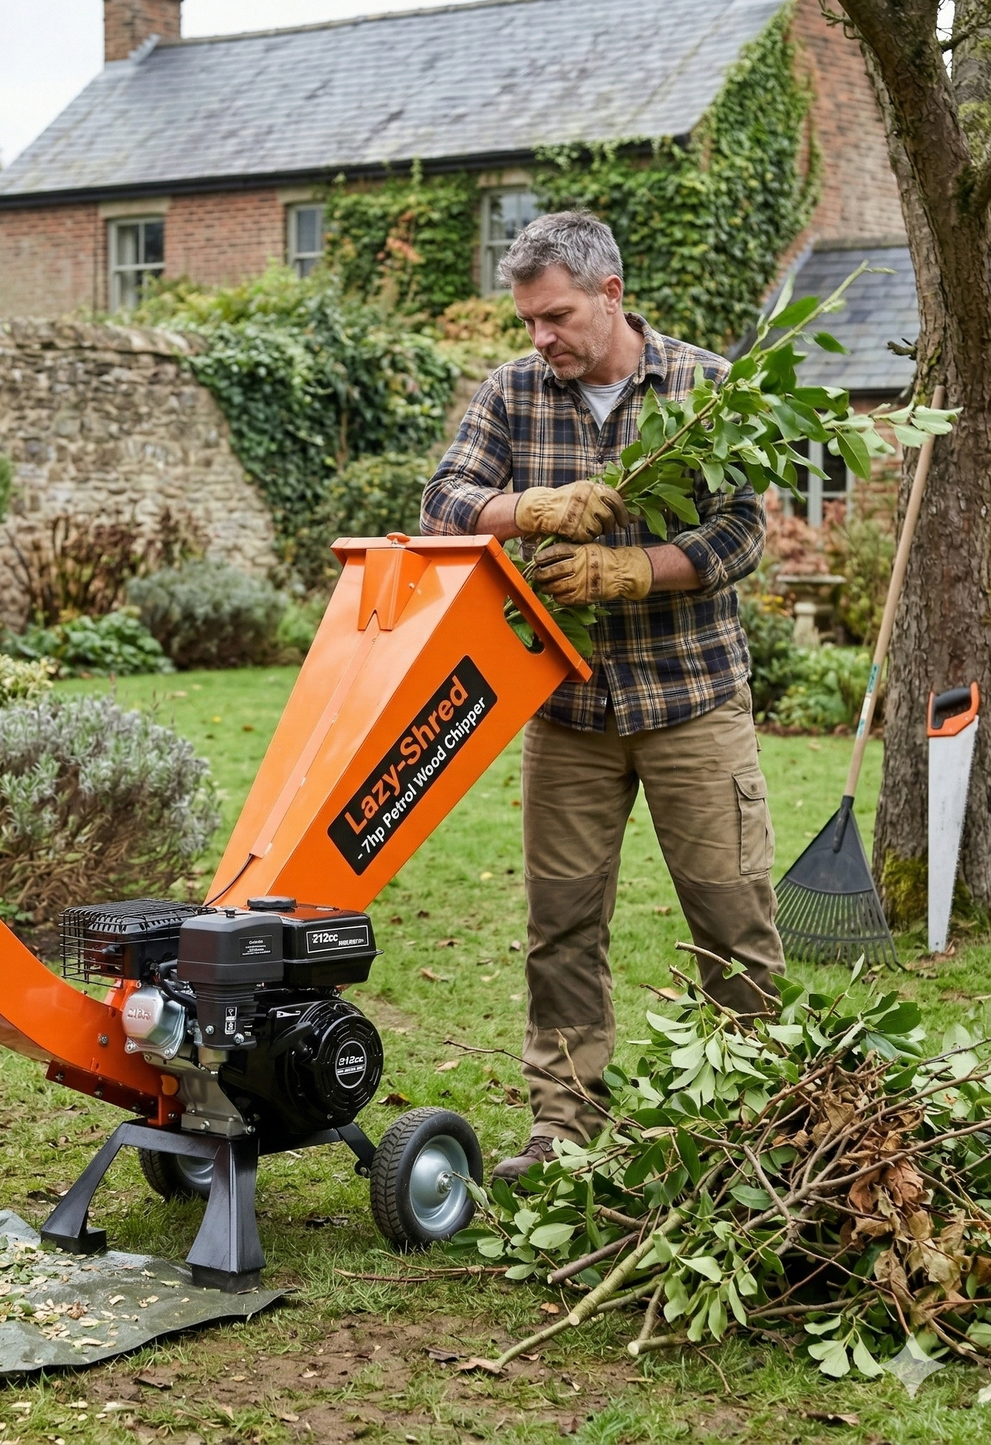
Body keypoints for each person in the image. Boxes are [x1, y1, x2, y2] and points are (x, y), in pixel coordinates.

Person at [420, 210, 784, 1182]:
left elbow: (741, 530)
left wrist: (634, 570)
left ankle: (757, 1127)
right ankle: (563, 1128)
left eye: (554, 316)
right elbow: (442, 502)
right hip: (569, 713)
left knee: (731, 915)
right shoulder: (511, 392)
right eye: (528, 321)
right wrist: (524, 509)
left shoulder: (703, 388)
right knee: (561, 924)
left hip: (691, 700)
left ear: (609, 294)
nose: (539, 338)